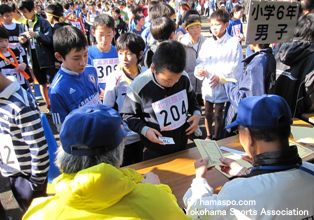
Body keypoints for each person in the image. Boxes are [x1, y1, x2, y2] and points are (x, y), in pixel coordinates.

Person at [22, 104, 189, 219]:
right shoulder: (154, 201)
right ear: (119, 151)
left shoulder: (38, 213)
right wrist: (157, 190)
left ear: (63, 153)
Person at [184, 95, 314, 219]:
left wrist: (200, 180)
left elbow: (197, 213)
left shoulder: (238, 193)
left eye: (238, 131)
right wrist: (245, 173)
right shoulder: (311, 172)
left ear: (249, 136)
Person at [121, 40, 201, 160]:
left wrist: (196, 113)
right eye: (167, 80)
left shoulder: (183, 77)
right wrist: (145, 130)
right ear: (153, 68)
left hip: (181, 142)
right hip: (155, 148)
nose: (173, 83)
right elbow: (127, 115)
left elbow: (192, 99)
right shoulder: (138, 86)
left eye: (176, 79)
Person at [0, 72, 49, 213]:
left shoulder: (20, 106)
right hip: (13, 171)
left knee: (35, 213)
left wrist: (35, 183)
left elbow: (39, 148)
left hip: (27, 176)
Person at [194, 9, 243, 140]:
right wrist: (200, 70)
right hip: (209, 84)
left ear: (226, 25)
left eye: (218, 24)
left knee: (218, 113)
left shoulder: (233, 43)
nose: (214, 28)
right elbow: (200, 61)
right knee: (208, 112)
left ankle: (217, 136)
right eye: (212, 25)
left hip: (222, 85)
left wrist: (221, 76)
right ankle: (209, 135)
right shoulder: (208, 43)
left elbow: (237, 66)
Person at [103, 33, 146, 166]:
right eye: (120, 53)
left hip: (145, 134)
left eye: (128, 53)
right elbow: (107, 108)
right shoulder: (114, 78)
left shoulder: (146, 74)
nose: (124, 58)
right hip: (124, 138)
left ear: (140, 54)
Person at [49, 25, 101, 132]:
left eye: (86, 55)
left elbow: (98, 101)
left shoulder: (91, 70)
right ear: (59, 57)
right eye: (76, 58)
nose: (83, 62)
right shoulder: (57, 90)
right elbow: (62, 128)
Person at [223, 43, 276, 136]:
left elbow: (243, 102)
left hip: (246, 122)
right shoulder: (269, 56)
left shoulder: (256, 64)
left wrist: (227, 82)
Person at [18, 0, 55, 110]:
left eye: (24, 11)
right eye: (21, 12)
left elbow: (50, 39)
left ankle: (55, 103)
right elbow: (25, 45)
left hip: (46, 58)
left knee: (51, 83)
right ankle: (48, 104)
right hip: (33, 59)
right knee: (41, 83)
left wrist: (37, 35)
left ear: (32, 10)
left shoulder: (43, 22)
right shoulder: (23, 25)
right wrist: (23, 41)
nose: (23, 15)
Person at [275, 14, 314, 118]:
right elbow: (310, 92)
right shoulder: (311, 55)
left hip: (272, 115)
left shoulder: (281, 47)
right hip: (297, 119)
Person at [88, 14, 118, 91]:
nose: (104, 39)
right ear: (93, 33)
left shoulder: (119, 53)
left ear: (114, 33)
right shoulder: (88, 54)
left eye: (108, 35)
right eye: (101, 35)